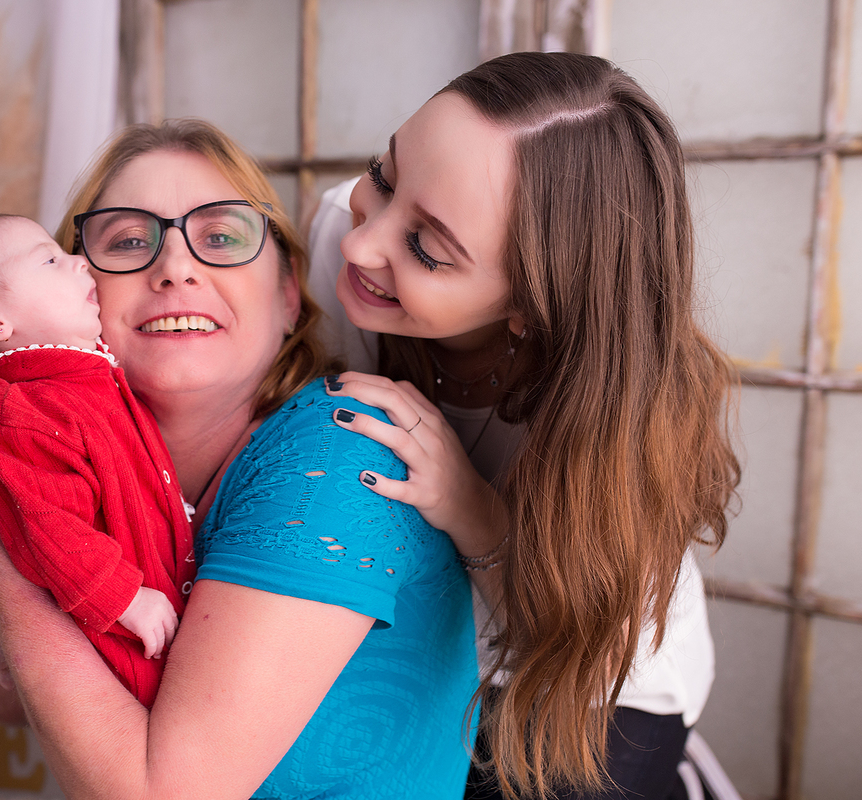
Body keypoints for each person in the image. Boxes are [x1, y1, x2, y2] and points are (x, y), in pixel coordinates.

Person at [0, 118, 482, 799]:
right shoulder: (69, 449)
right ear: (72, 296)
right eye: (128, 241)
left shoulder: (338, 453)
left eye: (222, 237)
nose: (176, 268)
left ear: (287, 295)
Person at [307, 51, 740, 799]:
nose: (359, 244)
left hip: (588, 674)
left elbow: (575, 637)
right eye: (383, 175)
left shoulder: (616, 410)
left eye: (427, 249)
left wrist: (466, 503)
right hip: (414, 637)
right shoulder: (337, 239)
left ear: (531, 305)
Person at [0, 214, 195, 707]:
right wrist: (122, 597)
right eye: (50, 261)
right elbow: (49, 525)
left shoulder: (81, 375)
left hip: (162, 604)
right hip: (124, 638)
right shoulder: (19, 410)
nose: (79, 263)